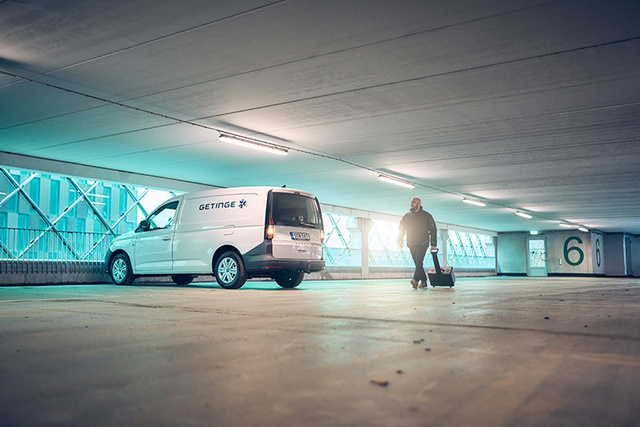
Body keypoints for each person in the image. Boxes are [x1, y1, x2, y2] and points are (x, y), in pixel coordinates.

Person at [397, 197, 438, 289]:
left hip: (423, 242)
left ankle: (415, 279)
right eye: (411, 202)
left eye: (414, 202)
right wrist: (400, 239)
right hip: (411, 243)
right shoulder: (406, 216)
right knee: (418, 263)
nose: (412, 204)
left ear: (419, 204)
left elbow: (433, 230)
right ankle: (423, 281)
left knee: (419, 261)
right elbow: (401, 228)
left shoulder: (426, 216)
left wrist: (434, 244)